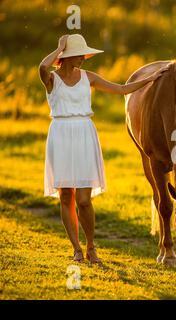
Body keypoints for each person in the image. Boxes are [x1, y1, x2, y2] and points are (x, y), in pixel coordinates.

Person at [38, 34, 169, 264]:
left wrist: (150, 80)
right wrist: (58, 48)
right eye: (79, 55)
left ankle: (91, 246)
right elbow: (42, 66)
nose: (83, 59)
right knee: (66, 196)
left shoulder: (88, 77)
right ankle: (76, 249)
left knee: (84, 199)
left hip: (84, 135)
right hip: (60, 135)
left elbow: (121, 89)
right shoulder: (51, 79)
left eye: (83, 55)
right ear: (66, 56)